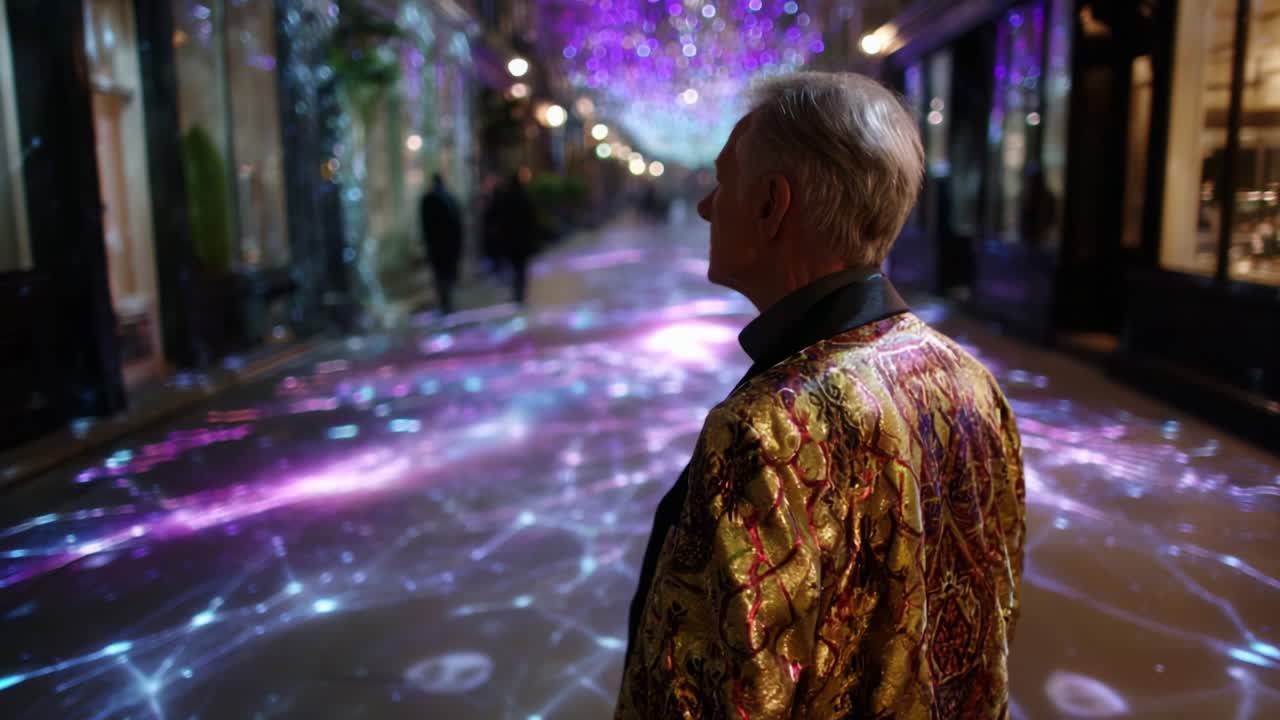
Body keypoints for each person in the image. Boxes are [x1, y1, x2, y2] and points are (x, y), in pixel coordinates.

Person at [617, 72, 1025, 719]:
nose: (704, 207)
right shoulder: (971, 382)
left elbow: (721, 694)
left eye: (722, 183)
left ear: (772, 205)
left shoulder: (767, 429)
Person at [492, 173, 540, 305]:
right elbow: (531, 219)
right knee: (521, 268)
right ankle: (520, 293)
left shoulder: (507, 198)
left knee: (515, 267)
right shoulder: (524, 197)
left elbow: (502, 220)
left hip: (512, 241)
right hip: (522, 241)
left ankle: (517, 292)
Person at [419, 173, 463, 315]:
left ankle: (445, 302)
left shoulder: (430, 200)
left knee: (440, 275)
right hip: (445, 245)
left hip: (438, 246)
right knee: (444, 275)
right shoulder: (449, 199)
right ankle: (446, 302)